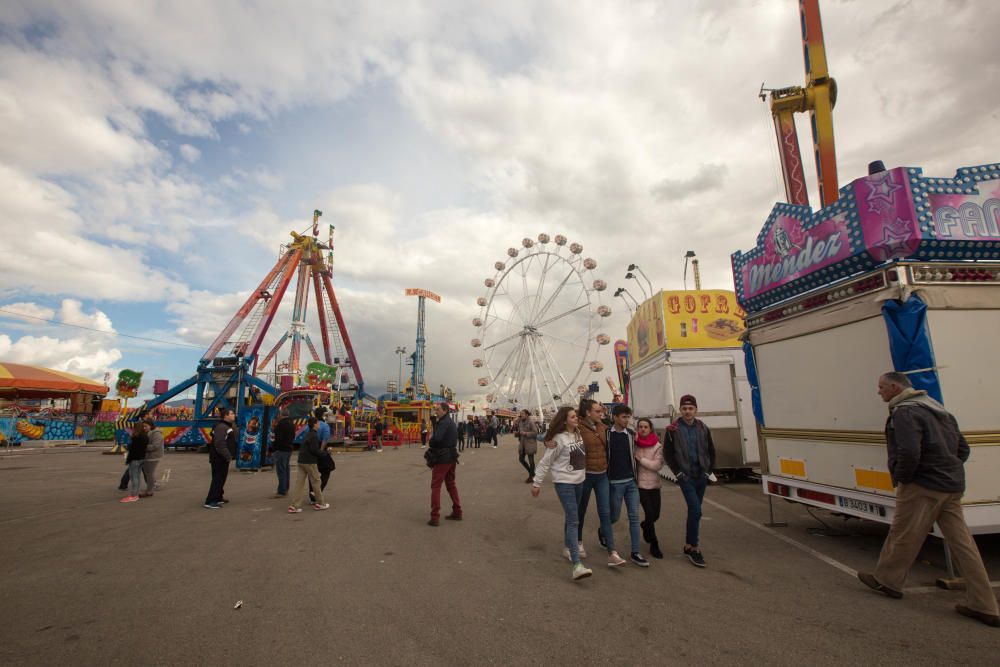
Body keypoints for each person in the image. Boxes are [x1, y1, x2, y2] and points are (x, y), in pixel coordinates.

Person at [857, 372, 999, 627]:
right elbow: (963, 449)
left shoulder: (905, 412)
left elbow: (909, 451)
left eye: (880, 387)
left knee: (903, 533)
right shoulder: (938, 409)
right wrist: (948, 468)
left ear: (894, 387)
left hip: (923, 485)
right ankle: (985, 604)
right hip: (952, 486)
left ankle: (888, 581)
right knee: (964, 545)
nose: (878, 392)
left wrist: (904, 478)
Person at [531, 407, 593, 581]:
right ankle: (577, 565)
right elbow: (545, 462)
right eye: (573, 417)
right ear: (564, 420)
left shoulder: (578, 433)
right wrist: (537, 483)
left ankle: (568, 548)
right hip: (564, 483)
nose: (576, 419)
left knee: (572, 517)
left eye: (576, 416)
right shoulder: (559, 439)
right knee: (574, 519)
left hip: (579, 481)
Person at [663, 394, 715, 567]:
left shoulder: (703, 428)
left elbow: (711, 450)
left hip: (701, 476)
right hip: (686, 477)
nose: (687, 411)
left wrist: (709, 471)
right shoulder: (673, 429)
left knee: (695, 512)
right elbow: (668, 454)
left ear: (696, 410)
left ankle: (688, 545)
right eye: (684, 408)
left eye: (690, 408)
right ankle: (694, 548)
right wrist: (678, 473)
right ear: (680, 410)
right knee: (696, 510)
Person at [574, 399, 626, 567]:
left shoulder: (603, 427)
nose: (601, 413)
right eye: (597, 411)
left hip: (602, 475)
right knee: (580, 511)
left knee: (605, 512)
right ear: (588, 412)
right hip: (585, 476)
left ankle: (612, 552)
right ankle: (578, 542)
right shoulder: (578, 429)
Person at [606, 405, 648, 567]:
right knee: (614, 516)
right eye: (623, 417)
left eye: (628, 417)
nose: (627, 420)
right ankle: (604, 530)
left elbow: (648, 441)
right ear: (615, 417)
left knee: (634, 517)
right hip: (614, 483)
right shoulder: (607, 434)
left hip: (631, 482)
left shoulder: (631, 434)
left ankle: (635, 552)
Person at [634, 417, 665, 559]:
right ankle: (654, 543)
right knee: (650, 513)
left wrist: (641, 459)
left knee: (656, 515)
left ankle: (645, 525)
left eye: (646, 427)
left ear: (650, 429)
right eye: (640, 426)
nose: (643, 429)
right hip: (641, 485)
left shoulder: (657, 446)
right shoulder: (634, 444)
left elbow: (657, 466)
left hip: (655, 484)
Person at [426, 402, 461, 526]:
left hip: (442, 458)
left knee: (436, 486)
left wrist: (431, 441)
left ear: (445, 410)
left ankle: (434, 517)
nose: (436, 411)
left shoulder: (443, 423)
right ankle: (457, 511)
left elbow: (437, 438)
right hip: (451, 456)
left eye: (438, 409)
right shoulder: (450, 422)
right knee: (451, 484)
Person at [288, 417, 330, 513]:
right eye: (317, 423)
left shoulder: (307, 434)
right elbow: (314, 450)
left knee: (299, 484)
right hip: (310, 462)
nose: (319, 424)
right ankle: (320, 503)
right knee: (316, 482)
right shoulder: (314, 436)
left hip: (301, 461)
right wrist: (324, 453)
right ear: (315, 425)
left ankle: (294, 506)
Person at [204, 408, 236, 509]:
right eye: (232, 413)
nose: (234, 415)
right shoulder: (222, 427)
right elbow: (220, 444)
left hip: (221, 458)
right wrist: (228, 456)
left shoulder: (226, 426)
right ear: (226, 416)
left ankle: (218, 497)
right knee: (218, 479)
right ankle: (210, 501)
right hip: (219, 458)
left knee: (221, 479)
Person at [121, 422, 147, 503]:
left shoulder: (135, 437)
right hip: (142, 458)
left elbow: (131, 449)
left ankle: (133, 495)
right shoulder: (145, 436)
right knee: (138, 477)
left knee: (134, 477)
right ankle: (136, 493)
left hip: (135, 459)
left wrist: (128, 460)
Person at [271, 408, 295, 498]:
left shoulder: (280, 424)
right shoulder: (292, 423)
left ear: (281, 415)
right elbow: (293, 436)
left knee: (281, 470)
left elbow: (278, 438)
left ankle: (281, 491)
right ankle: (286, 487)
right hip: (289, 448)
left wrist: (275, 448)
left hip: (281, 450)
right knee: (286, 469)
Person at [140, 418, 163, 498]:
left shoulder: (156, 433)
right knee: (148, 473)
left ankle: (149, 491)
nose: (144, 428)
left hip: (153, 456)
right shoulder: (150, 432)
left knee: (149, 474)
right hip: (149, 456)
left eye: (146, 426)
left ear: (151, 425)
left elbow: (155, 446)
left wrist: (142, 447)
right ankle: (149, 489)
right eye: (143, 426)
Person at [515, 409, 538, 483]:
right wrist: (517, 433)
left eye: (523, 414)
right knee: (521, 459)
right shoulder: (520, 422)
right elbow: (520, 431)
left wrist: (526, 433)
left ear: (527, 415)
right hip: (522, 443)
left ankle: (531, 477)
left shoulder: (531, 422)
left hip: (530, 443)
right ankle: (532, 473)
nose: (521, 415)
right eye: (521, 414)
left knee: (531, 461)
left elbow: (535, 433)